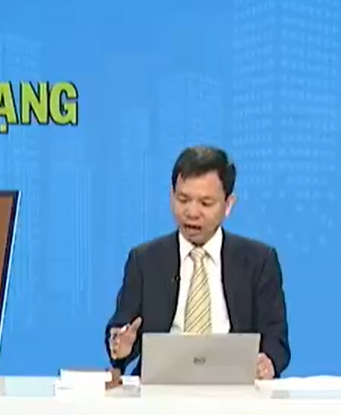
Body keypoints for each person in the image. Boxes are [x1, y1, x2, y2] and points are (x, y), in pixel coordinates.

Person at [105, 146, 290, 379]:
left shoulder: (258, 261)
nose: (192, 212)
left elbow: (276, 340)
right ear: (171, 196)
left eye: (206, 203)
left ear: (228, 204)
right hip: (160, 387)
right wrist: (120, 345)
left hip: (234, 386)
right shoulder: (144, 261)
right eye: (183, 199)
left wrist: (267, 362)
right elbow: (122, 331)